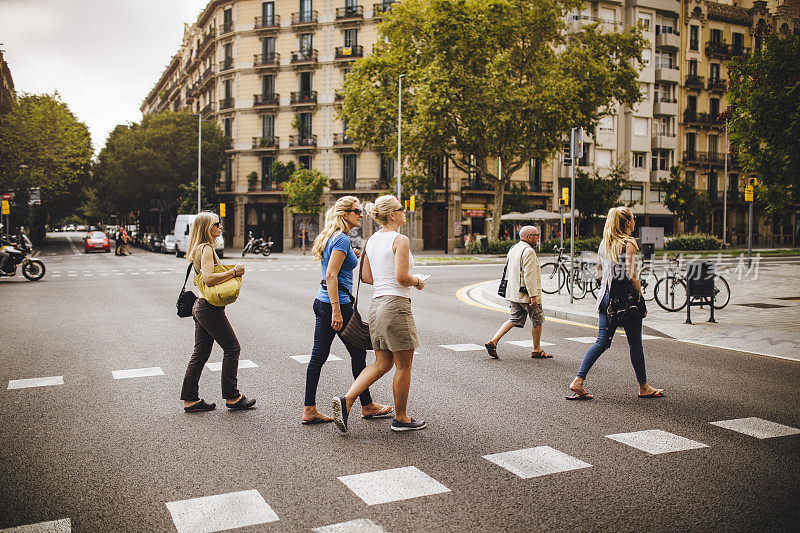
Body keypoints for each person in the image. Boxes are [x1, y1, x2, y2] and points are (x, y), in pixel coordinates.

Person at [331, 195, 426, 433]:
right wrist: (418, 281)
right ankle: (401, 418)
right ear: (392, 215)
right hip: (396, 305)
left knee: (381, 363)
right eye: (401, 209)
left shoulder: (371, 240)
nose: (405, 212)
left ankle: (347, 400)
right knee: (403, 366)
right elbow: (402, 278)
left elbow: (366, 277)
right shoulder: (400, 239)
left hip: (376, 305)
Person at [302, 196, 393, 425]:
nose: (361, 215)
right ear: (344, 215)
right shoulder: (341, 239)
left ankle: (309, 409)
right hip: (337, 304)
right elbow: (331, 274)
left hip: (321, 300)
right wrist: (336, 310)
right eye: (356, 211)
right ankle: (367, 405)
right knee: (358, 355)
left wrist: (354, 255)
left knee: (318, 357)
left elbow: (335, 268)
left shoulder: (332, 237)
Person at [567, 206, 664, 401]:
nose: (634, 221)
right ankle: (643, 386)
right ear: (627, 222)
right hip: (626, 299)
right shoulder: (628, 243)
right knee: (635, 342)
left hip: (605, 297)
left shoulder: (605, 243)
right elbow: (632, 275)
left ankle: (579, 380)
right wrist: (641, 297)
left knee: (602, 341)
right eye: (633, 218)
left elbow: (599, 273)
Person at [181, 211, 256, 412]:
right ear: (207, 227)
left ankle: (190, 399)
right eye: (217, 223)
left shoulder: (200, 248)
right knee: (232, 348)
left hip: (200, 304)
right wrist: (234, 272)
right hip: (208, 307)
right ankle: (232, 397)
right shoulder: (205, 249)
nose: (220, 226)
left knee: (201, 353)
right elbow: (208, 278)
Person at [484, 225, 550, 359]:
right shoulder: (529, 251)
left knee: (513, 319)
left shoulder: (514, 248)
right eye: (536, 235)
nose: (538, 238)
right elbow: (529, 275)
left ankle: (494, 341)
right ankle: (536, 350)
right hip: (526, 294)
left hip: (514, 293)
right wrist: (533, 296)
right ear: (529, 237)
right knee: (537, 320)